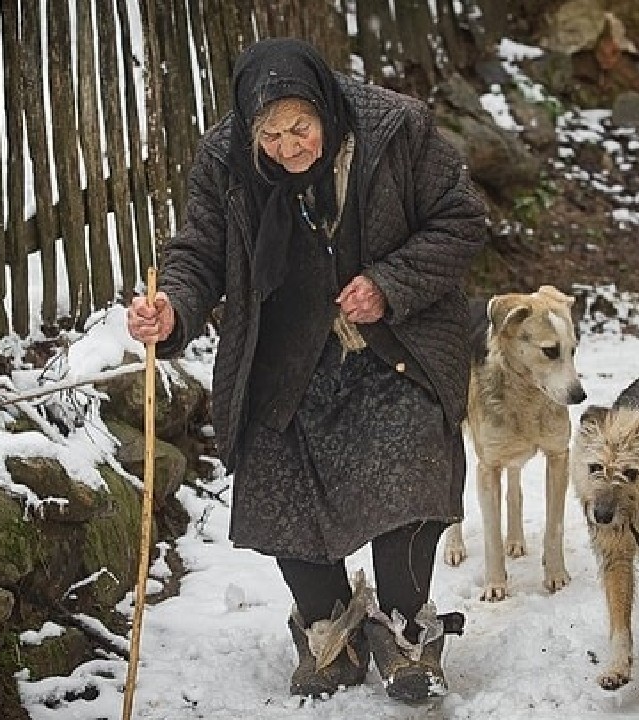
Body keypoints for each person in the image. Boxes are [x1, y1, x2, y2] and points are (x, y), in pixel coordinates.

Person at [126, 37, 487, 703]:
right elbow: (199, 251)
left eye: (301, 128)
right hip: (285, 351)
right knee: (275, 467)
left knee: (409, 459)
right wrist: (172, 310)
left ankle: (408, 636)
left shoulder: (396, 129)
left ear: (325, 107)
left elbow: (461, 221)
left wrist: (388, 282)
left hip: (394, 343)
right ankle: (330, 632)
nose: (290, 148)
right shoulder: (224, 157)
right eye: (272, 135)